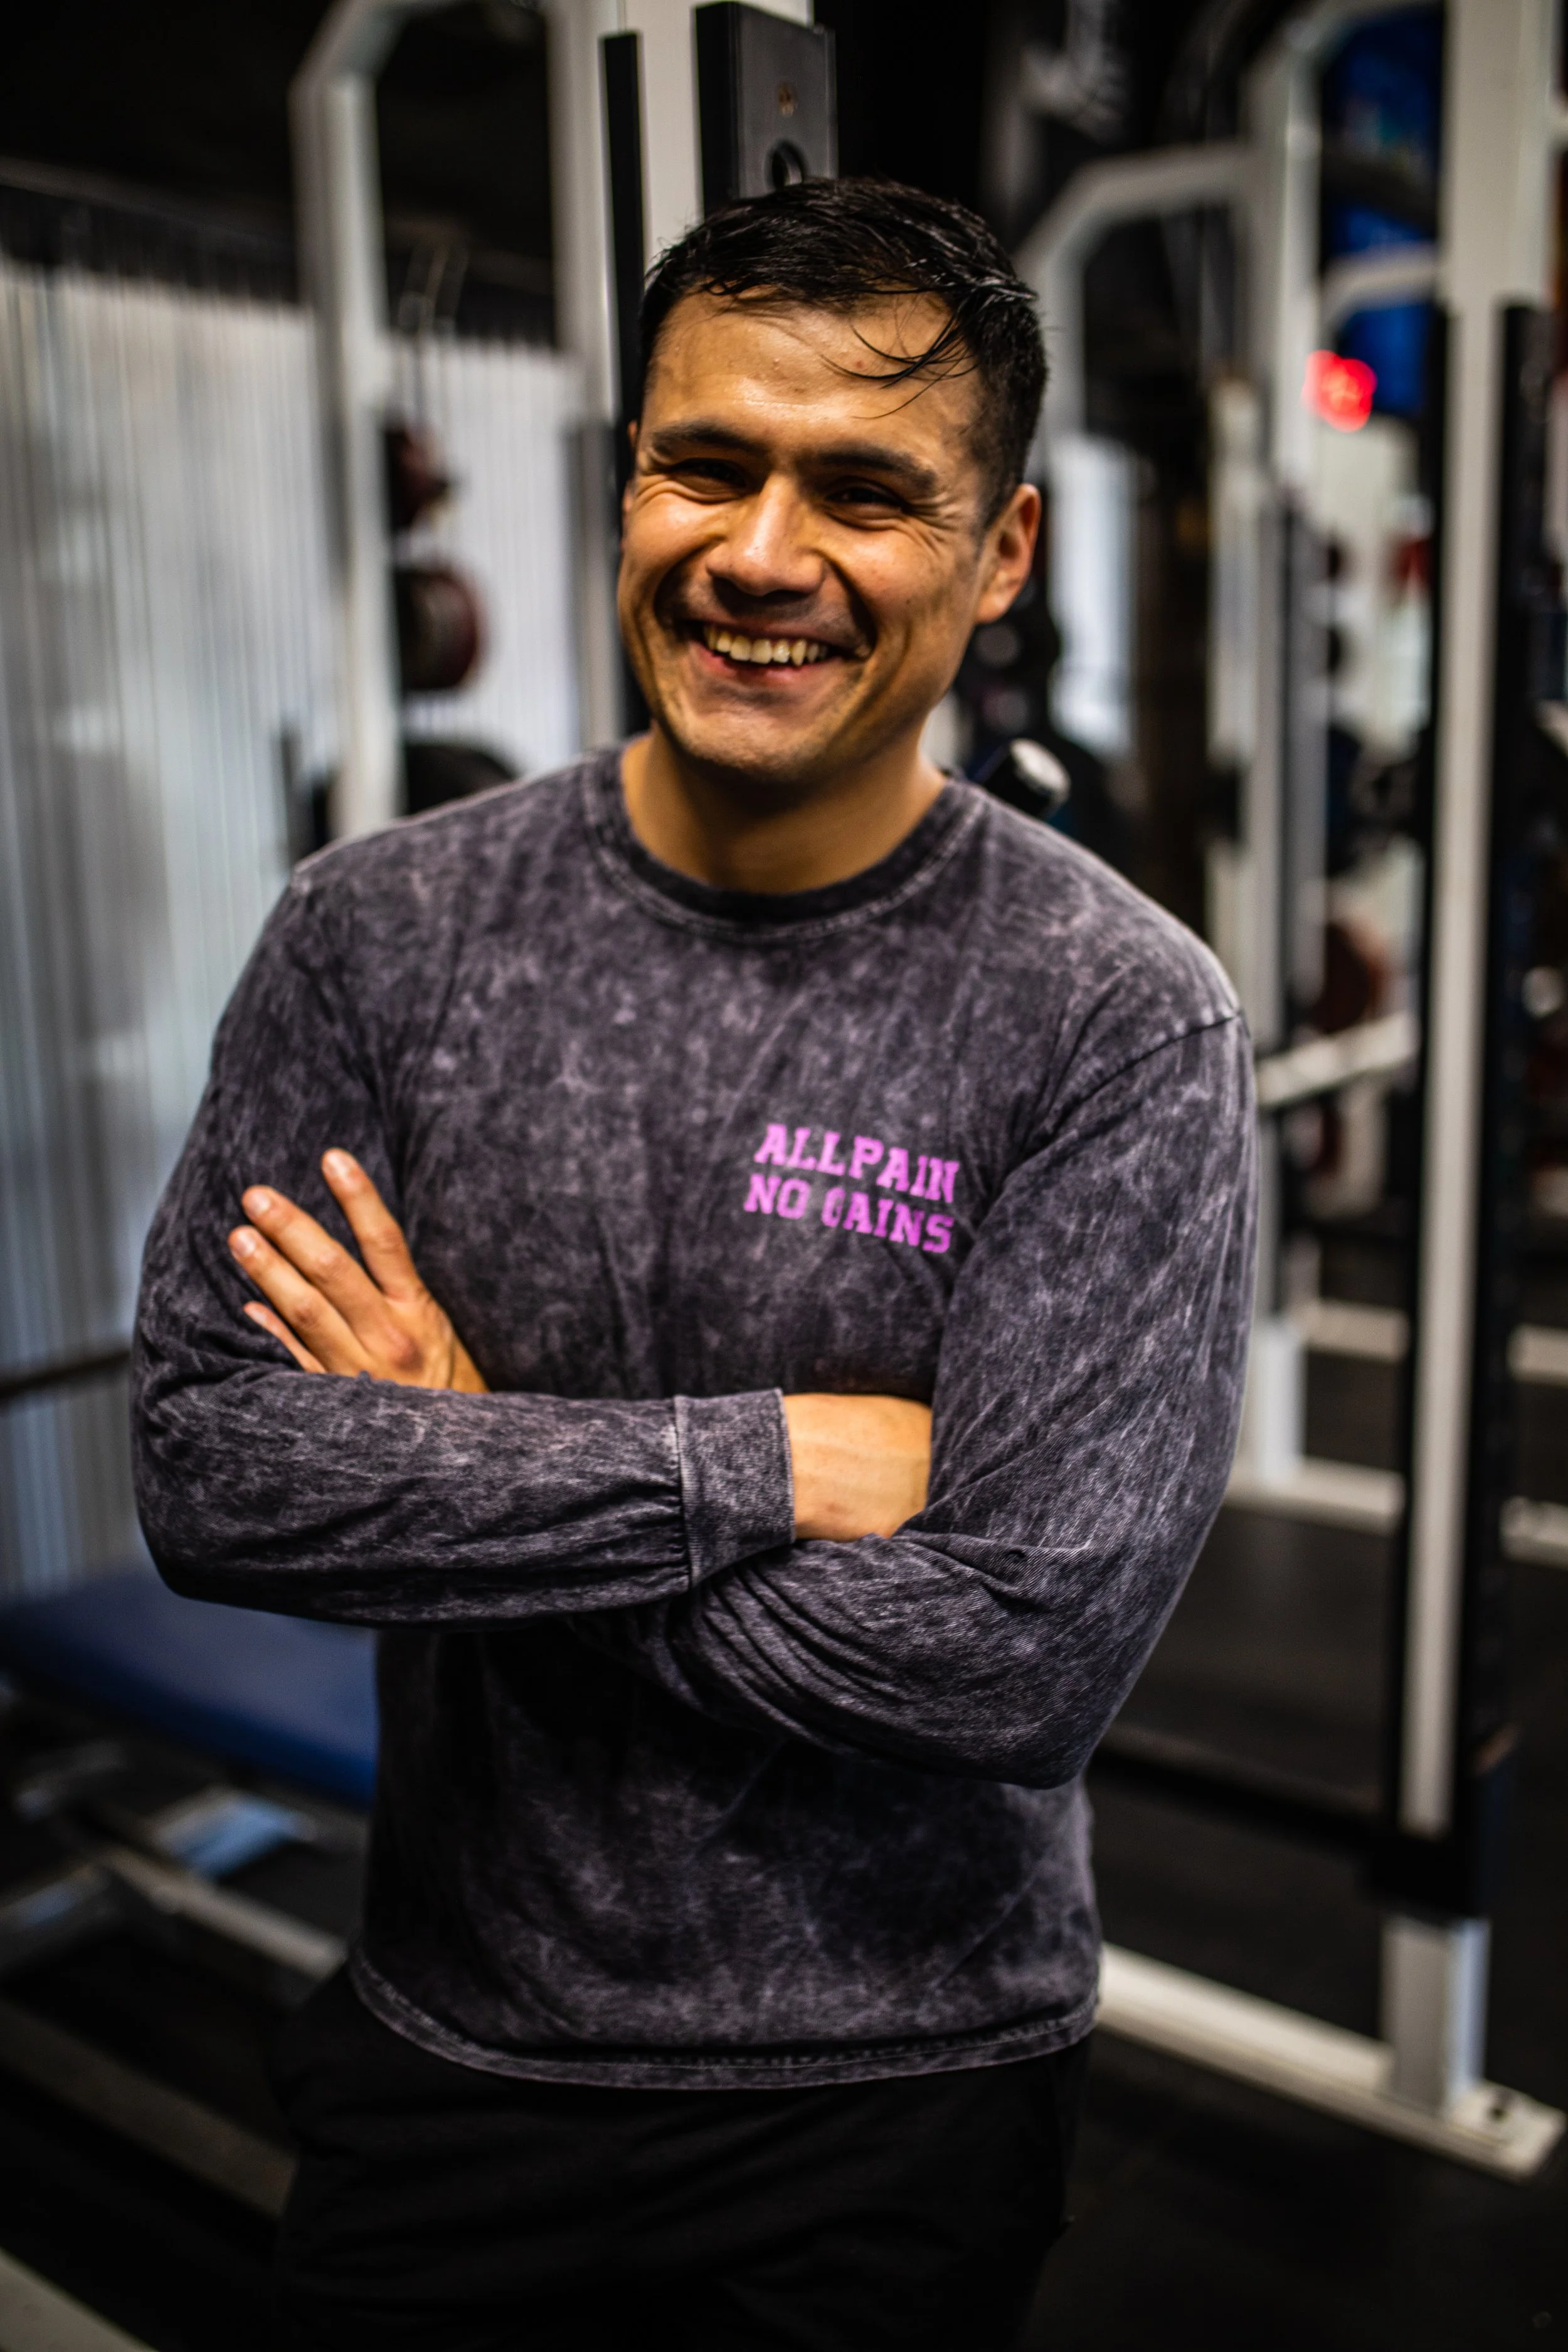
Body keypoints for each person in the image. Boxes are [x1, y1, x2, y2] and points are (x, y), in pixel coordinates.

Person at [132, 178, 1256, 2352]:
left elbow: (1005, 1667)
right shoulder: (375, 935)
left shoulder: (1116, 1017)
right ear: (628, 480)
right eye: (703, 463)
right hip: (456, 2031)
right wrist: (757, 1463)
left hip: (902, 2086)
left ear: (999, 550)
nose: (759, 556)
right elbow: (212, 1469)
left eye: (863, 490)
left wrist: (457, 1464)